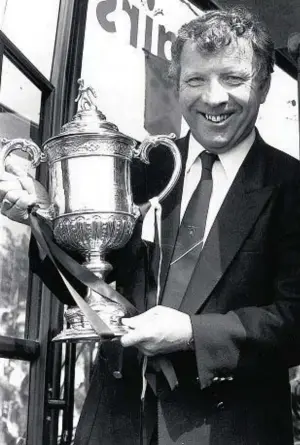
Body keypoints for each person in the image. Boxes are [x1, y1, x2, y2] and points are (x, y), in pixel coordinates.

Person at [1, 7, 300, 445]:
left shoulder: (291, 186)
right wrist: (44, 218)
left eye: (233, 79)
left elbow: (294, 319)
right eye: (196, 80)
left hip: (229, 430)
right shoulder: (144, 167)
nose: (213, 98)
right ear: (177, 85)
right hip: (114, 426)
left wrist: (191, 335)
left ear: (264, 85)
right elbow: (91, 284)